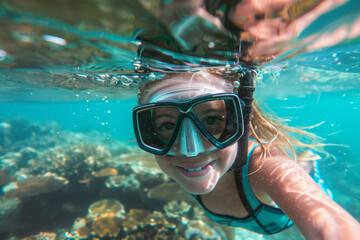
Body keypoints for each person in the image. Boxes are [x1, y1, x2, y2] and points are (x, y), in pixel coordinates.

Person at [132, 68, 360, 239]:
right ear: (149, 133)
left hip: (293, 172)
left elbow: (328, 226)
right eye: (167, 126)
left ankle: (307, 158)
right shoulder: (184, 168)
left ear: (240, 122)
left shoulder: (267, 168)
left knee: (302, 166)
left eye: (212, 120)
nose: (191, 151)